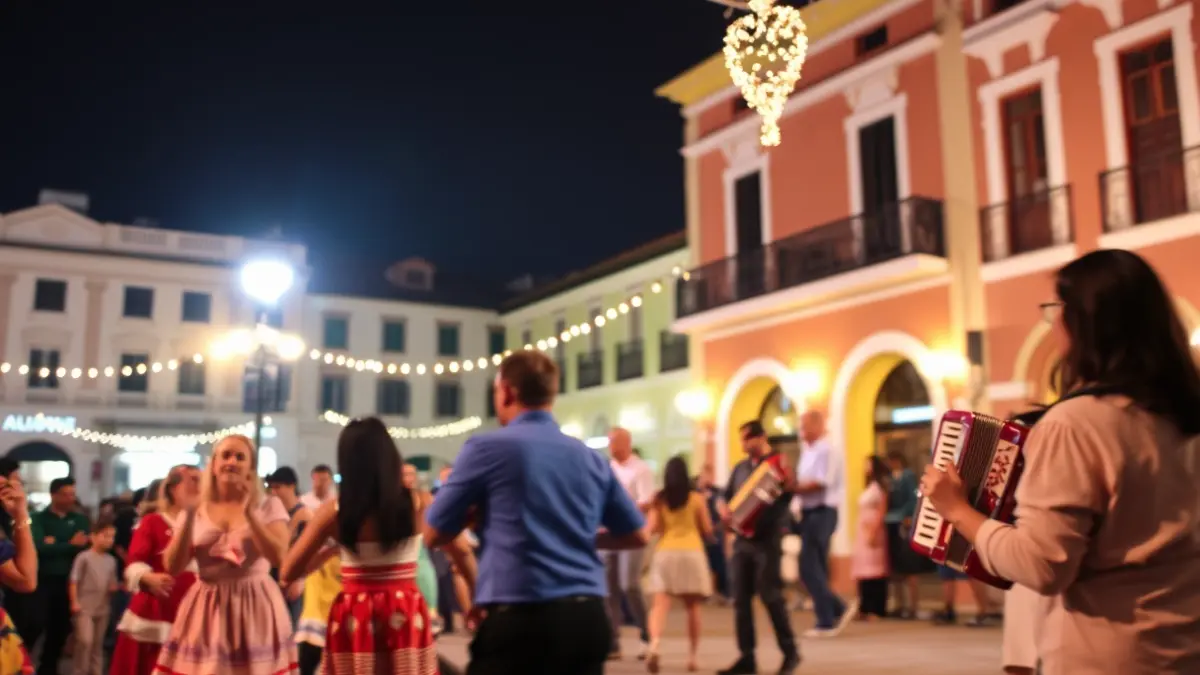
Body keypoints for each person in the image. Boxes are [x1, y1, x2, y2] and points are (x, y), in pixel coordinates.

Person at [921, 248, 1200, 674]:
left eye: (1057, 310)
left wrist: (956, 510)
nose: (1054, 325)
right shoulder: (1181, 417)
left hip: (1105, 656)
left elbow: (1041, 565)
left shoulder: (1075, 423)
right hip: (1180, 646)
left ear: (1085, 324)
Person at [425, 350, 648, 675]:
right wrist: (579, 536)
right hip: (586, 618)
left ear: (507, 392)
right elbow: (637, 534)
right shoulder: (590, 458)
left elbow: (433, 532)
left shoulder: (486, 449)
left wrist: (474, 517)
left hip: (520, 617)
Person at [281, 418, 476, 675]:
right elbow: (461, 550)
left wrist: (334, 549)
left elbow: (288, 571)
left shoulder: (334, 513)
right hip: (404, 613)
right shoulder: (420, 503)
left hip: (354, 616)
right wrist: (478, 597)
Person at [157, 436, 296, 674]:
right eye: (226, 455)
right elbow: (173, 566)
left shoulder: (268, 504)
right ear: (213, 463)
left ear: (251, 468)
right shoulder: (196, 507)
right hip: (207, 607)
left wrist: (250, 514)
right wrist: (189, 513)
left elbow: (279, 558)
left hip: (255, 604)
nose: (231, 462)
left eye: (240, 457)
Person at [718, 420, 800, 675]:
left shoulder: (778, 463)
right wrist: (722, 509)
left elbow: (789, 491)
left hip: (768, 540)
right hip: (743, 540)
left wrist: (789, 481)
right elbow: (725, 496)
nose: (743, 444)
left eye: (747, 439)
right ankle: (747, 657)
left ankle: (790, 653)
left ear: (761, 437)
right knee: (740, 600)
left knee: (770, 596)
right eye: (741, 439)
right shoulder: (741, 468)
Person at [110, 465, 202, 675]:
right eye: (192, 480)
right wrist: (145, 577)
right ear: (173, 489)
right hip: (157, 610)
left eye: (202, 481)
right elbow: (134, 560)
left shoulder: (207, 523)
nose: (199, 487)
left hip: (195, 610)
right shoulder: (153, 522)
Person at [645, 455, 713, 673]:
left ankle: (654, 645)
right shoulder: (696, 498)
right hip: (692, 552)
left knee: (659, 605)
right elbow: (707, 529)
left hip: (665, 552)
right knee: (692, 607)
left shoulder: (659, 499)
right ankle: (692, 657)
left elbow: (652, 528)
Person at [792, 410, 854, 638]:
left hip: (823, 511)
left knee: (809, 566)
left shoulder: (826, 450)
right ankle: (836, 608)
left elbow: (821, 483)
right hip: (809, 513)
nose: (802, 432)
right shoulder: (808, 451)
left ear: (818, 426)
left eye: (805, 427)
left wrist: (792, 488)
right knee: (812, 566)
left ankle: (827, 618)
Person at [31, 476, 90, 675]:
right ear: (53, 495)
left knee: (61, 627)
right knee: (36, 623)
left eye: (72, 494)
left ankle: (49, 667)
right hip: (43, 579)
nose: (70, 498)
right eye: (65, 494)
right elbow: (38, 548)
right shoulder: (39, 518)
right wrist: (69, 544)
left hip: (69, 580)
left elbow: (83, 547)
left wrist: (55, 543)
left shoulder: (80, 519)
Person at [605, 426, 654, 660]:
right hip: (608, 535)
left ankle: (647, 635)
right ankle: (613, 642)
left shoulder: (640, 469)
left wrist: (622, 514)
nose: (611, 447)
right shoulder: (609, 468)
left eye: (614, 442)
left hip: (632, 534)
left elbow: (646, 503)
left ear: (626, 442)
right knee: (608, 589)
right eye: (609, 442)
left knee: (629, 585)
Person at [69, 520, 118, 675]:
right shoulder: (83, 557)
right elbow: (74, 580)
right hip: (84, 607)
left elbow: (112, 581)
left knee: (97, 644)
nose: (109, 540)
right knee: (85, 641)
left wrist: (114, 587)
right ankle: (80, 671)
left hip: (103, 607)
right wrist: (74, 601)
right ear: (93, 536)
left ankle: (96, 671)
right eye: (105, 536)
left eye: (112, 537)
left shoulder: (111, 561)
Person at [265, 467, 311, 628]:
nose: (274, 492)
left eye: (278, 487)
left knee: (290, 630)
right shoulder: (273, 514)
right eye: (272, 488)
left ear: (291, 487)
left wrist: (300, 579)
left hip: (293, 579)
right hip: (273, 578)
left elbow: (309, 551)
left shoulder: (304, 515)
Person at [882, 450, 922, 618]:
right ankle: (899, 603)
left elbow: (912, 499)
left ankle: (912, 606)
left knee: (909, 567)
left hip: (903, 522)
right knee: (895, 567)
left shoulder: (907, 476)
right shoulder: (890, 479)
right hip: (890, 522)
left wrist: (907, 515)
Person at [851, 457, 889, 621]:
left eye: (868, 464)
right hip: (862, 530)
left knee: (875, 570)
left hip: (874, 529)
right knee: (863, 570)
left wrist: (874, 531)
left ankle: (877, 608)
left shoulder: (879, 488)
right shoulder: (867, 487)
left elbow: (881, 509)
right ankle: (864, 607)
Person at [696, 464, 729, 603]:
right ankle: (706, 592)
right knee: (704, 563)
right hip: (701, 533)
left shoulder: (718, 493)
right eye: (703, 476)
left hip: (716, 531)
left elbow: (722, 510)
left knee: (719, 562)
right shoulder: (695, 494)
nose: (705, 479)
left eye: (708, 475)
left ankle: (723, 592)